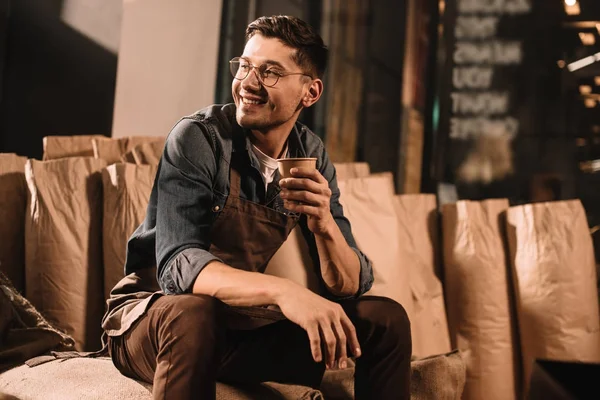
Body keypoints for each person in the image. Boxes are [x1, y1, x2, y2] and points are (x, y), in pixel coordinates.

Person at [102, 15, 412, 400]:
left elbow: (350, 284)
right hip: (153, 322)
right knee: (195, 313)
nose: (248, 83)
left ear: (310, 93)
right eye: (245, 66)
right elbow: (178, 266)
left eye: (270, 73)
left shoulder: (310, 155)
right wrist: (286, 293)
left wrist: (324, 224)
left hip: (236, 331)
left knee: (385, 319)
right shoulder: (200, 138)